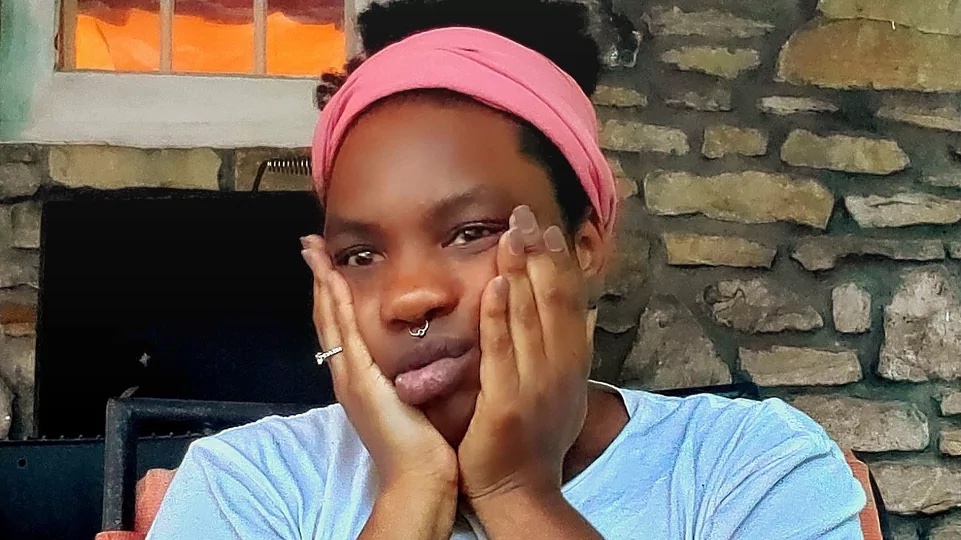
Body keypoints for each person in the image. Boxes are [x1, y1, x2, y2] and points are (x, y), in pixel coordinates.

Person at [147, 0, 867, 538]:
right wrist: (411, 494)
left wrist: (518, 493)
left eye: (470, 232)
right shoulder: (247, 484)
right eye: (359, 256)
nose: (409, 297)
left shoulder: (749, 468)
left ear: (585, 245)